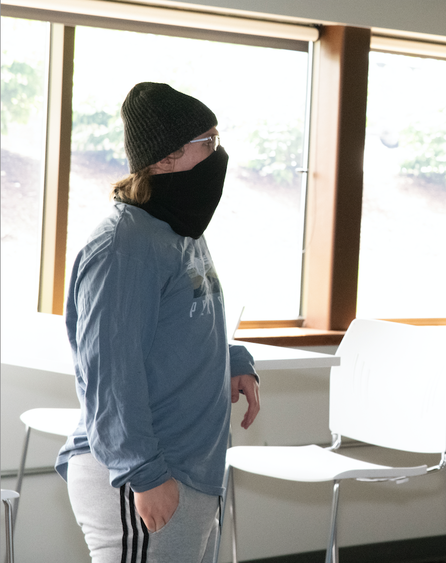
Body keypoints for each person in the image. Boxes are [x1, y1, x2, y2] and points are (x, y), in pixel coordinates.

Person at [56, 82, 261, 563]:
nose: (218, 154)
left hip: (187, 465)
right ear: (166, 159)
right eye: (207, 143)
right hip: (145, 473)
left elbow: (185, 317)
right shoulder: (122, 246)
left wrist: (234, 359)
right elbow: (109, 374)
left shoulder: (178, 228)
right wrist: (144, 473)